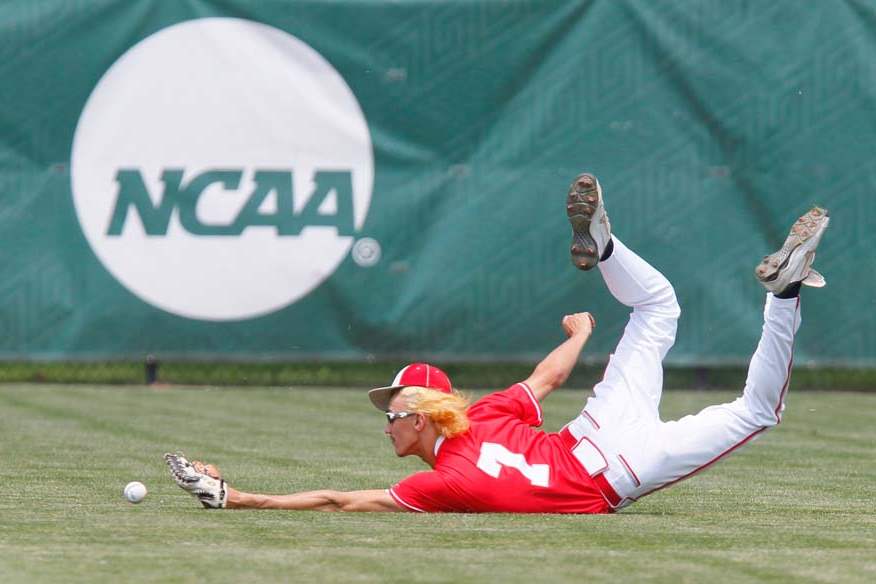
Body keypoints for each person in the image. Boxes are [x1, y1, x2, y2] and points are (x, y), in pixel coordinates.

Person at [165, 173, 830, 513]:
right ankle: (609, 250)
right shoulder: (483, 414)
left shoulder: (444, 483)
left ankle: (784, 296)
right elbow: (545, 380)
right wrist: (581, 334)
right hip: (593, 433)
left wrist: (240, 498)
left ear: (423, 414)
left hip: (615, 467)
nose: (387, 425)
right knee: (656, 305)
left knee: (756, 412)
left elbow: (342, 500)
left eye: (393, 411)